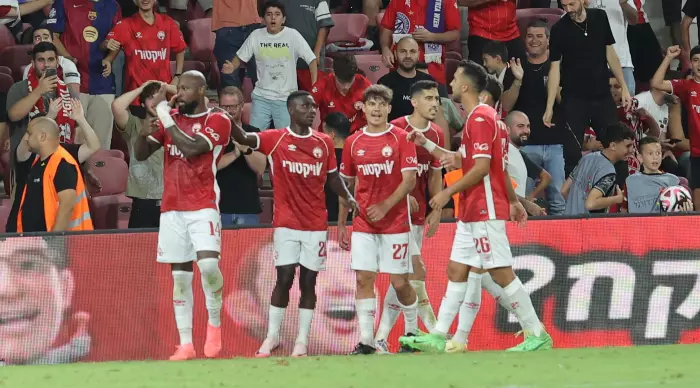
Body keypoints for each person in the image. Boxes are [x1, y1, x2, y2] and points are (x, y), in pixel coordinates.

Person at [399, 60, 552, 353]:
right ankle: (440, 334)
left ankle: (536, 332)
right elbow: (478, 163)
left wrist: (447, 193)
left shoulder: (480, 119)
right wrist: (426, 144)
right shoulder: (483, 118)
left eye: (455, 78)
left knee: (501, 273)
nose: (452, 83)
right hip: (474, 210)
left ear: (466, 86)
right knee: (457, 270)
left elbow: (481, 168)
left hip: (484, 209)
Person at [228, 90, 357, 357]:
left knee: (309, 282)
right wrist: (225, 117)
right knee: (284, 278)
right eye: (305, 106)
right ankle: (273, 336)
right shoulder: (275, 138)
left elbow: (333, 179)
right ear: (291, 110)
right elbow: (242, 138)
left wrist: (349, 196)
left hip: (315, 225)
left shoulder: (324, 142)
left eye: (313, 106)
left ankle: (301, 340)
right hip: (286, 224)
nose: (312, 110)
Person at [133, 70, 231, 361]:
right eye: (179, 88)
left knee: (210, 266)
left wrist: (166, 118)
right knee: (180, 278)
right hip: (172, 207)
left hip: (203, 204)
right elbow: (140, 154)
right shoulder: (172, 118)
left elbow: (191, 149)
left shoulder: (217, 120)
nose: (179, 94)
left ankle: (214, 325)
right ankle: (185, 343)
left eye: (186, 89)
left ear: (201, 91)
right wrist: (144, 129)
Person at [338, 84, 419, 355]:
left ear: (388, 108)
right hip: (363, 223)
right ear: (363, 108)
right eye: (371, 103)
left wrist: (384, 206)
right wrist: (341, 223)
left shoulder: (401, 138)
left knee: (399, 282)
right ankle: (366, 341)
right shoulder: (353, 142)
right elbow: (346, 185)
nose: (376, 109)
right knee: (363, 279)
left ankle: (411, 333)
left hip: (395, 222)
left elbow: (409, 180)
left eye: (381, 104)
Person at [372, 80, 444, 353]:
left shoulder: (436, 134)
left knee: (403, 277)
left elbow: (436, 172)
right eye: (428, 98)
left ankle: (389, 338)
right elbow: (384, 168)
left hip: (418, 215)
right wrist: (402, 194)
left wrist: (436, 209)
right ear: (413, 102)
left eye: (436, 98)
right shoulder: (398, 129)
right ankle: (423, 332)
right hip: (395, 215)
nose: (434, 103)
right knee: (412, 272)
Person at [545, 0, 632, 177]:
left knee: (616, 148)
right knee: (571, 155)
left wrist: (624, 86)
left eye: (571, 4)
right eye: (564, 5)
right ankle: (575, 199)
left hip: (602, 97)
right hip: (574, 100)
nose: (568, 9)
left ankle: (621, 198)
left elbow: (610, 53)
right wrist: (549, 107)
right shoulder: (559, 29)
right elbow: (554, 69)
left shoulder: (599, 17)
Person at [6, 98, 100, 233]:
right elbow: (25, 145)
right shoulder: (28, 156)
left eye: (29, 133)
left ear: (43, 136)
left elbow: (93, 146)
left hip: (53, 239)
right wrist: (48, 117)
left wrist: (80, 119)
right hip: (23, 232)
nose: (26, 137)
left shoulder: (63, 159)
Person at [222, 1, 318, 131]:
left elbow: (312, 60)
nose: (273, 18)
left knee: (284, 139)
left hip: (285, 99)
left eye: (277, 14)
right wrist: (232, 67)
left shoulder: (293, 35)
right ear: (263, 19)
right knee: (255, 138)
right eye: (269, 14)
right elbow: (240, 57)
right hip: (261, 98)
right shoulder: (256, 35)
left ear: (283, 19)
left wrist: (315, 86)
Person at [0, 236, 91, 365]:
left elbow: (77, 350)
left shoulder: (52, 361)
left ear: (65, 288)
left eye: (28, 265)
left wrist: (82, 326)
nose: (7, 290)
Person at [46, 0, 122, 149]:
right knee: (70, 143)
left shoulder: (113, 6)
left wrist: (109, 58)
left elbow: (117, 39)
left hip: (102, 83)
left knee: (101, 146)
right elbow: (52, 36)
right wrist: (68, 60)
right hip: (70, 83)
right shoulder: (63, 3)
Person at [511, 20, 566, 215]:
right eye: (530, 36)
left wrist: (556, 82)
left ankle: (562, 243)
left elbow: (566, 103)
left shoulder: (558, 65)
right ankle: (524, 243)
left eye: (540, 36)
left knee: (558, 201)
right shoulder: (516, 64)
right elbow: (506, 106)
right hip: (525, 145)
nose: (534, 40)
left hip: (555, 143)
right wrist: (518, 80)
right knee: (523, 200)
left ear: (548, 40)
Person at [103, 0, 186, 100]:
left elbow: (180, 49)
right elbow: (108, 45)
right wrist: (108, 59)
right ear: (134, 1)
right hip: (136, 96)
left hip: (163, 94)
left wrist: (177, 75)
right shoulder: (126, 24)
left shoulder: (167, 22)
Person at [650, 45, 700, 210]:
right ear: (691, 64)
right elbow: (656, 83)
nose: (699, 64)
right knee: (698, 204)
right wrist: (669, 58)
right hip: (697, 153)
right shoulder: (687, 86)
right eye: (695, 60)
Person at [112, 80, 167, 229]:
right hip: (142, 201)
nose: (155, 102)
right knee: (139, 249)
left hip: (170, 201)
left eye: (160, 98)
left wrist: (166, 86)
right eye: (151, 98)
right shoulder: (135, 124)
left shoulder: (174, 126)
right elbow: (117, 106)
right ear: (142, 103)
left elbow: (202, 101)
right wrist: (142, 87)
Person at [379, 0, 461, 93]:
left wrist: (432, 37)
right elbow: (386, 28)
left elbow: (455, 33)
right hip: (400, 70)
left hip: (433, 70)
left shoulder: (446, 1)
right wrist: (385, 48)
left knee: (437, 105)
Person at [7, 42, 80, 146]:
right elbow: (13, 116)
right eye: (41, 60)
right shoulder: (19, 88)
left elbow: (78, 126)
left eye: (50, 59)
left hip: (60, 152)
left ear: (57, 61)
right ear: (33, 63)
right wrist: (38, 91)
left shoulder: (68, 91)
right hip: (27, 154)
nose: (46, 65)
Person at [215, 86, 266, 226]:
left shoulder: (254, 133)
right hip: (218, 208)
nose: (228, 111)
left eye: (232, 106)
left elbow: (260, 167)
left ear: (242, 106)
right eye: (224, 107)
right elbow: (210, 165)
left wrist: (246, 149)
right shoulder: (213, 134)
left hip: (247, 207)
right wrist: (235, 153)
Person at [562, 122, 635, 216]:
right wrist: (617, 199)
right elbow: (590, 204)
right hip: (587, 227)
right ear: (613, 146)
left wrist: (577, 207)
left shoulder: (587, 158)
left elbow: (564, 190)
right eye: (628, 146)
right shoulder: (609, 172)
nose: (632, 150)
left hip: (568, 223)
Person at [378, 37, 447, 121]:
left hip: (424, 133)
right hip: (395, 133)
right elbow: (379, 118)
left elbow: (439, 117)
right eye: (403, 51)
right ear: (395, 54)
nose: (408, 56)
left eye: (412, 51)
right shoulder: (384, 83)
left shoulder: (429, 81)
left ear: (418, 55)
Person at [280, 0, 334, 92]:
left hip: (311, 57)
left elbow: (324, 27)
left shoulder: (319, 1)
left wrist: (316, 52)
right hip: (286, 58)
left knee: (313, 94)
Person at [311, 54, 371, 133]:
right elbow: (306, 110)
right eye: (341, 82)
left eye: (350, 82)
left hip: (357, 136)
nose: (346, 87)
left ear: (356, 73)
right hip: (330, 136)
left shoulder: (365, 85)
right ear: (334, 73)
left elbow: (372, 115)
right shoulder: (322, 85)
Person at [625, 136, 687, 213]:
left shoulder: (673, 180)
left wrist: (687, 211)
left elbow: (680, 207)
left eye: (658, 153)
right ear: (640, 157)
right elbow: (624, 210)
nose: (655, 157)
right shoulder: (631, 181)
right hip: (638, 224)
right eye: (650, 153)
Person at [504, 111, 551, 204]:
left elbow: (547, 177)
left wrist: (529, 199)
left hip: (516, 212)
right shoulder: (501, 152)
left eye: (528, 126)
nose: (526, 131)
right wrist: (527, 204)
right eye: (520, 126)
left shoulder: (519, 154)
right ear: (507, 130)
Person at [23, 25, 81, 96]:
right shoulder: (28, 69)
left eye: (46, 37)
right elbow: (26, 98)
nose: (42, 40)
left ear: (52, 41)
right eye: (37, 38)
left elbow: (74, 95)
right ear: (33, 43)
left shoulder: (67, 64)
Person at [322, 112, 351, 222]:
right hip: (352, 220)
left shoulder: (323, 159)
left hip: (329, 220)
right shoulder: (356, 156)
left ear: (331, 135)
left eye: (323, 132)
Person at [481, 41, 519, 117]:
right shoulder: (489, 79)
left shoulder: (513, 76)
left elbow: (507, 106)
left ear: (498, 59)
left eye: (486, 60)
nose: (484, 64)